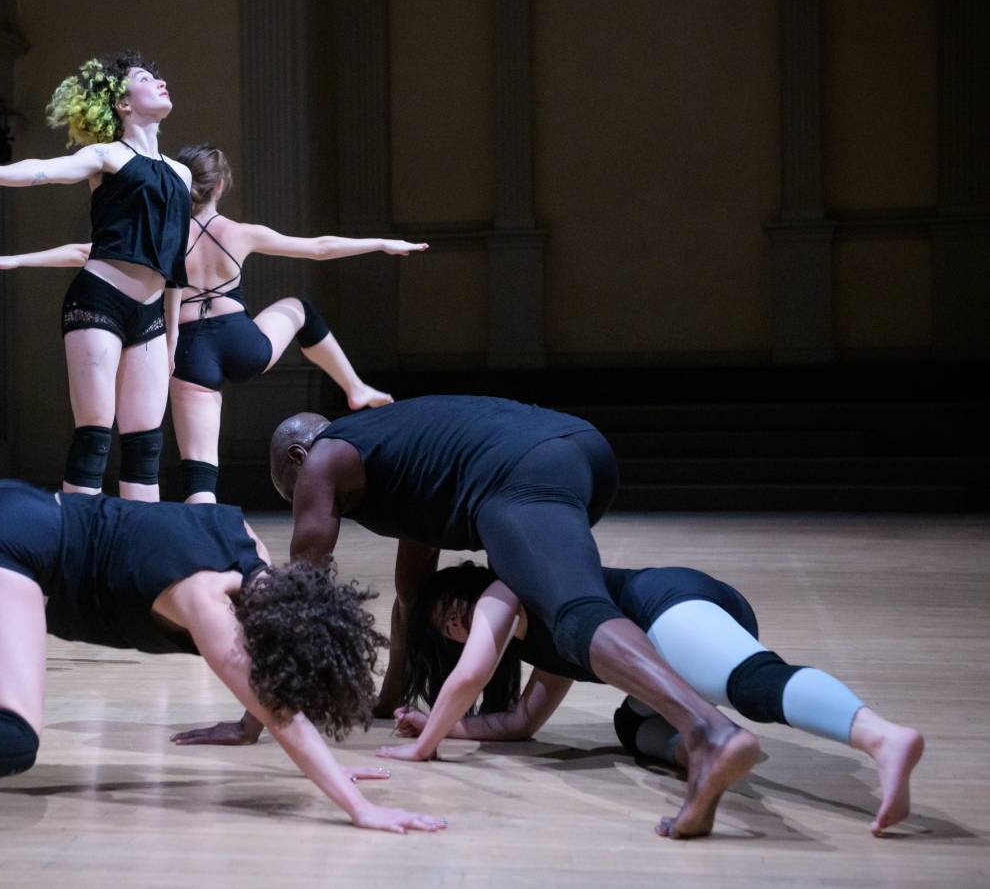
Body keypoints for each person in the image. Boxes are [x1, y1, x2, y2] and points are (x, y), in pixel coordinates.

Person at [0, 480, 445, 867]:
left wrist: (330, 765)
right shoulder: (207, 603)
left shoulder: (249, 547)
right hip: (6, 544)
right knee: (10, 734)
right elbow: (278, 711)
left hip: (13, 510)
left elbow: (276, 699)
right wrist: (357, 807)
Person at [266, 396, 763, 839]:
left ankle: (708, 731)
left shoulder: (323, 458)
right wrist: (388, 700)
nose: (306, 501)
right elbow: (411, 596)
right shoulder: (398, 461)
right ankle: (700, 725)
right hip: (579, 449)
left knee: (575, 617)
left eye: (293, 495)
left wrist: (262, 713)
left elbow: (299, 600)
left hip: (521, 469)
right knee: (557, 604)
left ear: (298, 457)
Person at [380, 560, 925, 836]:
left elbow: (471, 674)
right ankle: (708, 755)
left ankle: (881, 736)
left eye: (454, 611)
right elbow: (522, 722)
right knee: (632, 725)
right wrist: (444, 726)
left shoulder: (506, 590)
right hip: (681, 625)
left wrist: (426, 744)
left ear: (474, 593)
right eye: (444, 629)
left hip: (668, 606)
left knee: (754, 684)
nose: (456, 626)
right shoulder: (544, 645)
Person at [0, 52, 190, 501]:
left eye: (158, 76)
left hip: (150, 316)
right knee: (95, 433)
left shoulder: (181, 174)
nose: (160, 81)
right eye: (145, 78)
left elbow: (175, 266)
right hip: (100, 301)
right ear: (122, 104)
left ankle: (139, 541)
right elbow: (44, 170)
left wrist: (172, 337)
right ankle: (78, 539)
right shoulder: (107, 155)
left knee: (146, 444)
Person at [168, 145, 428, 503]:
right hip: (243, 344)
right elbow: (320, 248)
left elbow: (99, 252)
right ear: (220, 186)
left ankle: (205, 528)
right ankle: (355, 387)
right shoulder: (240, 232)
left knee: (200, 471)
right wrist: (382, 242)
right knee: (300, 309)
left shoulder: (164, 235)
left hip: (189, 350)